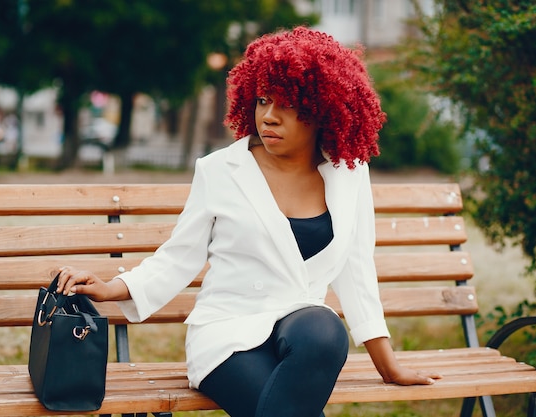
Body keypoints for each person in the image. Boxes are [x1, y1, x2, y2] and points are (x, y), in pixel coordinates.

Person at [57, 26, 441, 417]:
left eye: (286, 104)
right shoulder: (221, 170)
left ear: (321, 107)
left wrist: (388, 365)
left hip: (300, 336)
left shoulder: (348, 172)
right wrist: (111, 288)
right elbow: (178, 259)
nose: (269, 117)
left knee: (325, 329)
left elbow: (356, 268)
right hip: (228, 335)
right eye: (262, 100)